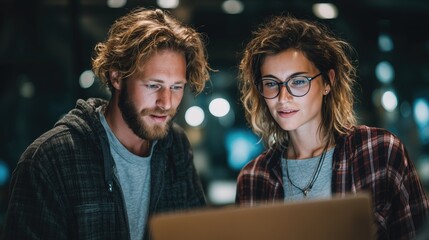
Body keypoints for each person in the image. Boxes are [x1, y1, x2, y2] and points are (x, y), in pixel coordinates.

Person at [2, 7, 210, 240]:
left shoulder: (176, 146)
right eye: (153, 85)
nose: (166, 102)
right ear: (117, 77)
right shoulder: (51, 159)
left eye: (176, 87)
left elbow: (197, 231)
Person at [235, 14, 429, 239]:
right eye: (271, 84)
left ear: (328, 81)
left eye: (298, 82)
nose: (283, 97)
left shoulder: (379, 152)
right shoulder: (253, 178)